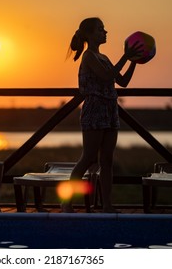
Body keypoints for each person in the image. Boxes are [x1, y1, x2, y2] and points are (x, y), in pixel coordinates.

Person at [64, 17, 143, 213]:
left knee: (107, 160)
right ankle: (66, 202)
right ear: (89, 35)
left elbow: (122, 81)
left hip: (109, 110)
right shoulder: (89, 56)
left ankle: (107, 204)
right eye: (100, 30)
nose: (105, 32)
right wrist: (125, 57)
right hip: (94, 109)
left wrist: (133, 61)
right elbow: (106, 76)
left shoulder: (105, 58)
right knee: (89, 157)